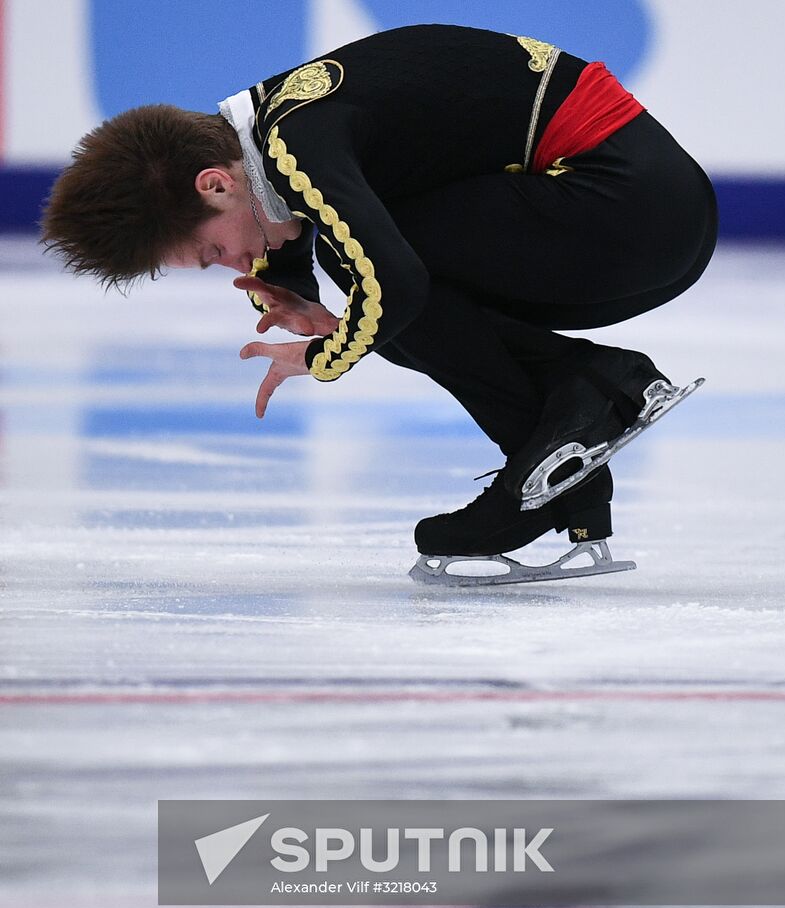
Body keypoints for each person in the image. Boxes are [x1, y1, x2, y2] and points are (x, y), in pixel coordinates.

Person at [41, 23, 717, 585]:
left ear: (216, 185)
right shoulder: (277, 128)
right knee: (375, 286)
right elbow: (340, 219)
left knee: (375, 279)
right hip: (646, 216)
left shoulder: (293, 140)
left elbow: (394, 280)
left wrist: (322, 355)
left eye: (213, 252)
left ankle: (579, 414)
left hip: (629, 211)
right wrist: (291, 283)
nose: (234, 267)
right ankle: (565, 455)